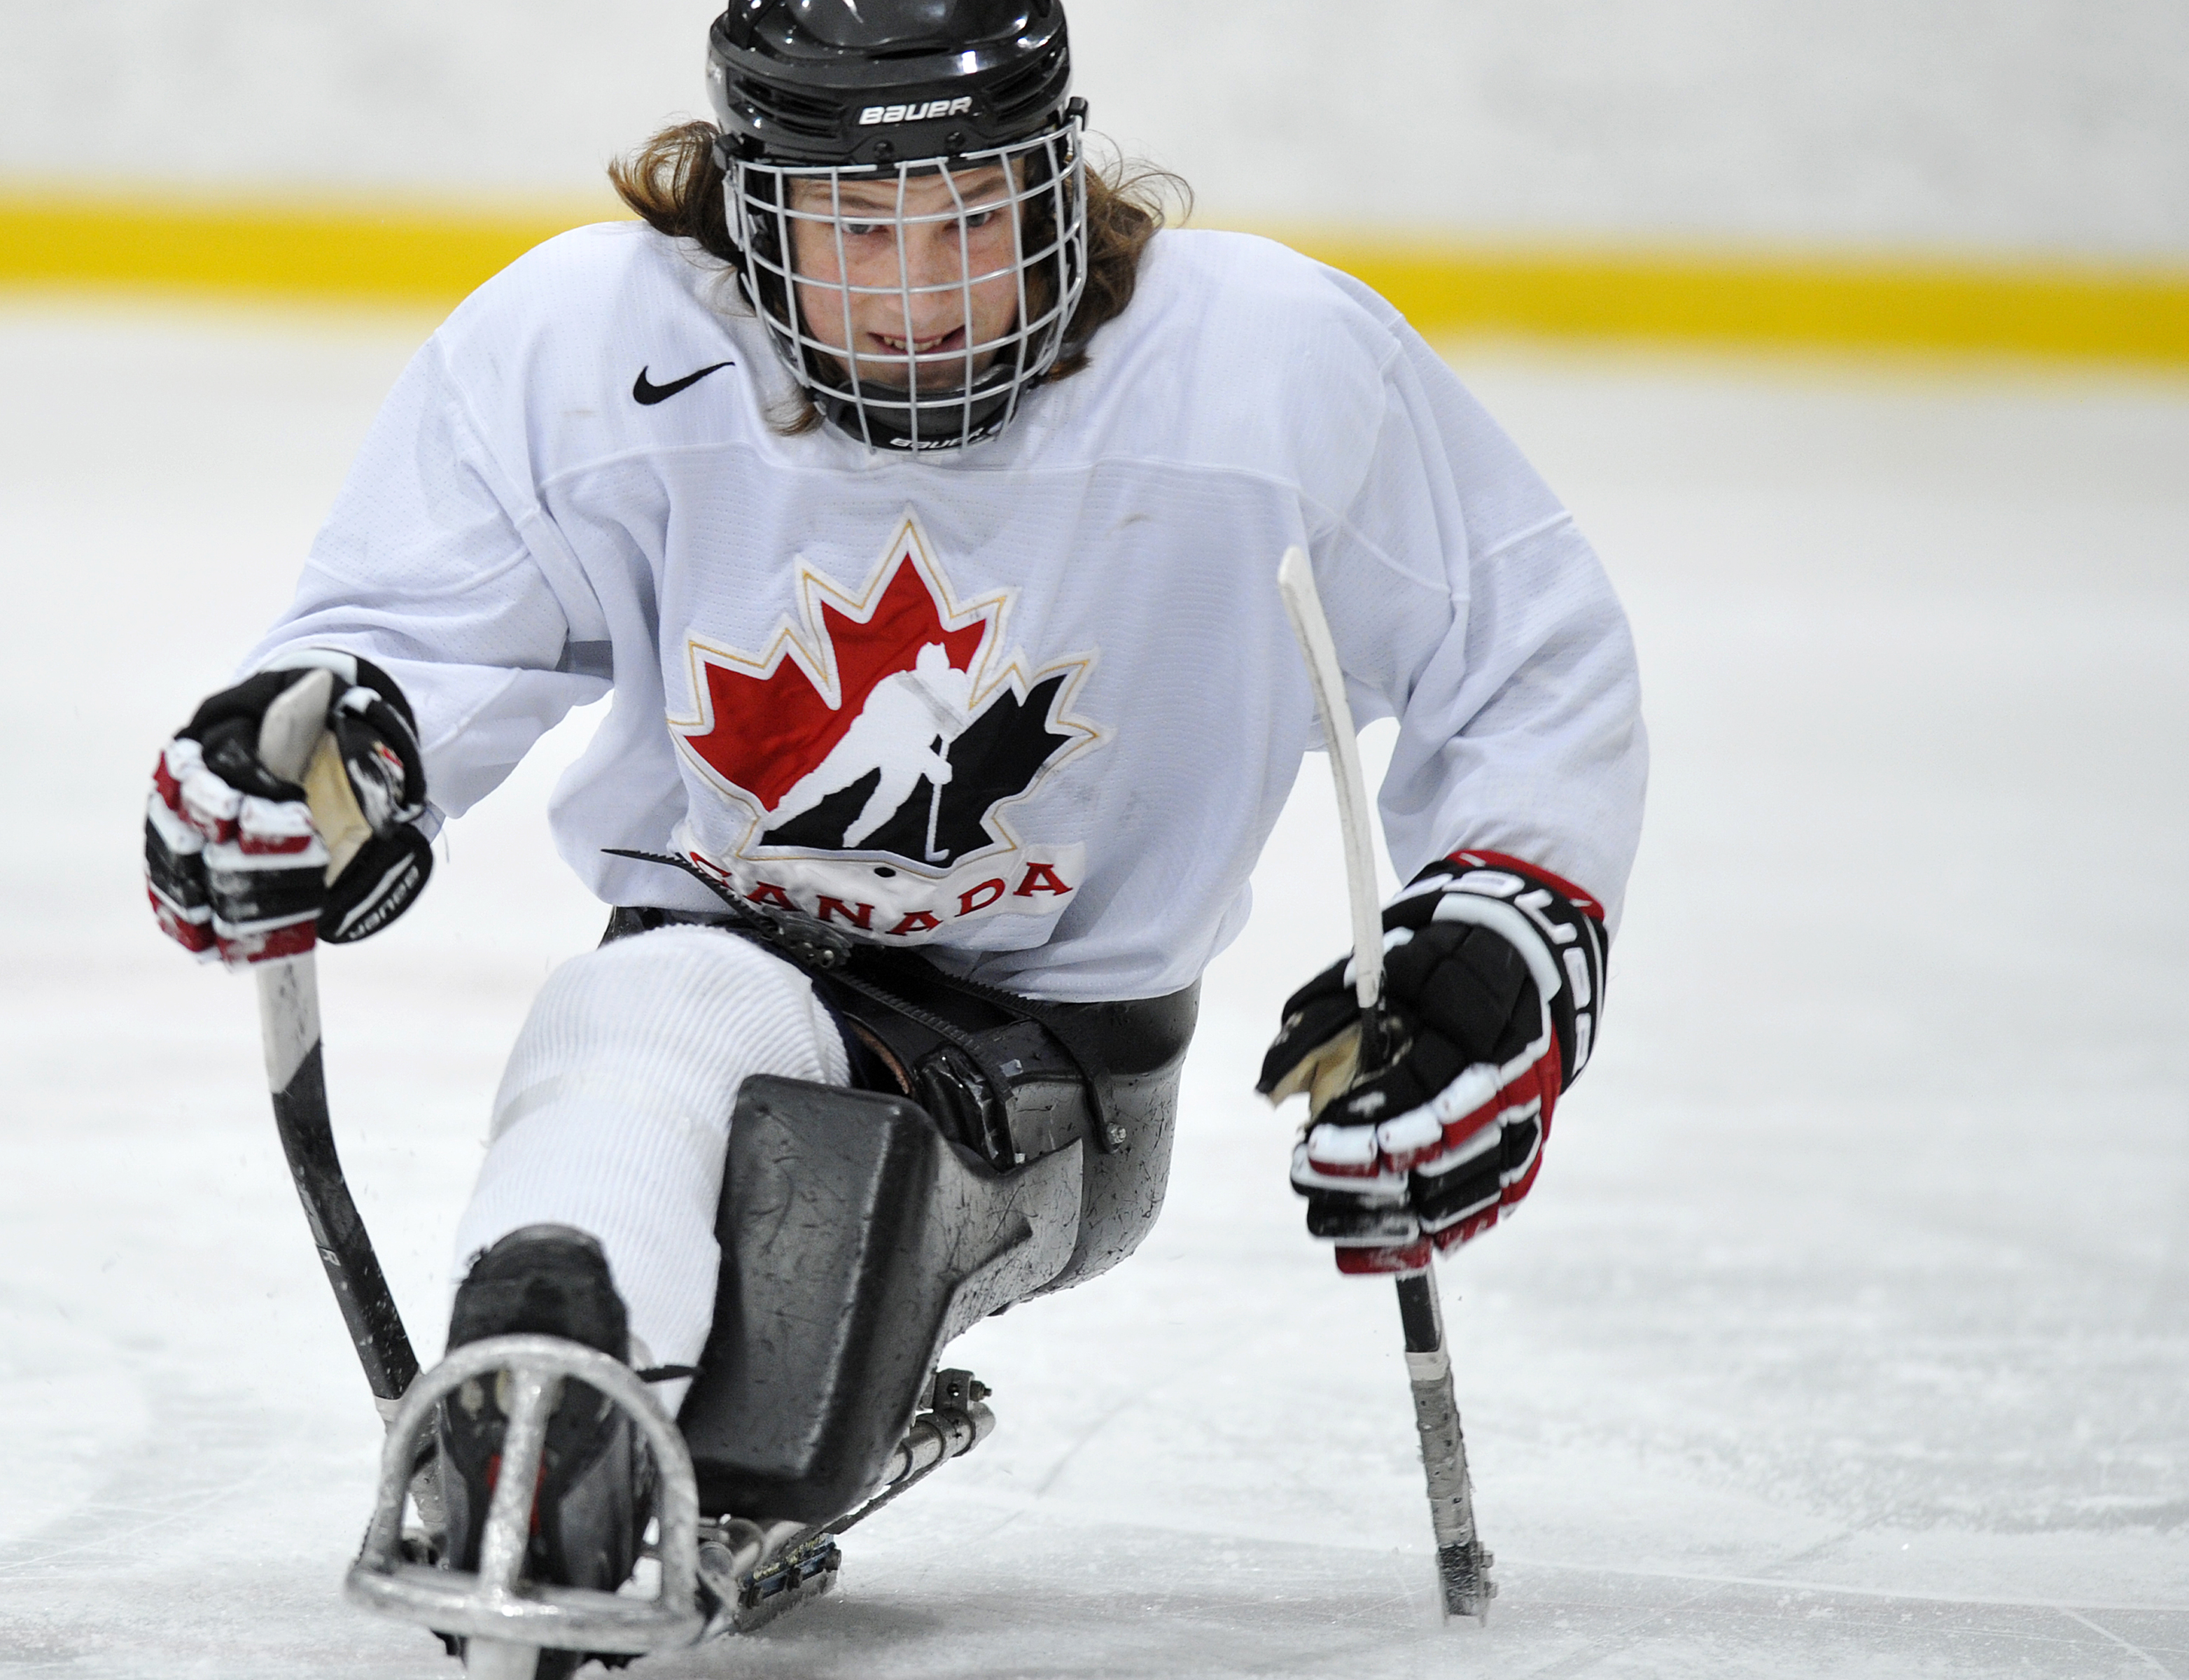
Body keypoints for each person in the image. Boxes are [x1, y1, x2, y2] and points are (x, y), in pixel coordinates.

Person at [141, 0, 1646, 1653]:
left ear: (1063, 182)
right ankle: (546, 1406)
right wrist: (317, 769)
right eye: (857, 225)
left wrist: (1497, 940)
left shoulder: (1269, 371)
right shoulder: (587, 346)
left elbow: (1525, 660)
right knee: (645, 1013)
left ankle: (623, 1435)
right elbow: (402, 642)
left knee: (767, 1134)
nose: (924, 293)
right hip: (713, 956)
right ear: (745, 206)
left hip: (1051, 1053)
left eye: (977, 215)